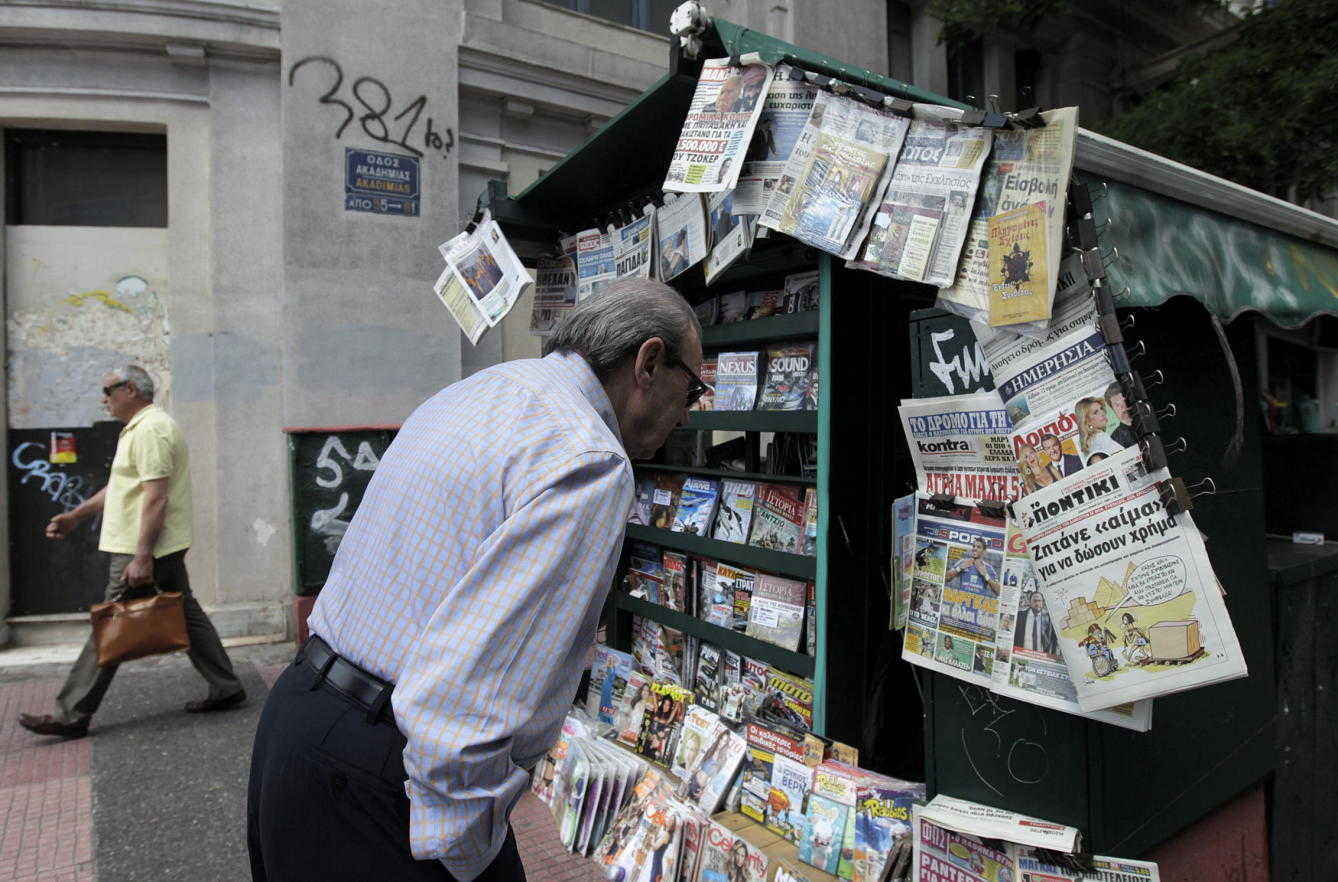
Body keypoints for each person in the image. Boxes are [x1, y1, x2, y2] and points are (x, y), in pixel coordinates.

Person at [247, 279, 704, 881]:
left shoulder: (482, 391)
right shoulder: (590, 461)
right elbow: (465, 708)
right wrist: (468, 854)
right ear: (648, 361)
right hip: (385, 773)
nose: (688, 410)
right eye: (692, 387)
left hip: (297, 720)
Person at [18, 366, 245, 739]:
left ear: (131, 390)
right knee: (184, 610)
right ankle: (226, 685)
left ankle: (71, 714)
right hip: (159, 546)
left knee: (112, 623)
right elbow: (122, 487)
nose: (103, 398)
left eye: (108, 390)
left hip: (144, 548)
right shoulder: (140, 428)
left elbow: (156, 498)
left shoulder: (152, 429)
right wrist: (76, 516)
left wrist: (142, 557)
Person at [1075, 396, 1124, 466]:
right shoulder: (1101, 437)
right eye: (1095, 412)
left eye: (1101, 409)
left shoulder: (1086, 443)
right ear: (1087, 421)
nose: (1102, 413)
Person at [1013, 590, 1058, 655]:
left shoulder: (1049, 619)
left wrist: (1052, 655)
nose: (1037, 604)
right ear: (1030, 602)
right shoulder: (1019, 616)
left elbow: (1054, 641)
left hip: (1041, 657)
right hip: (1021, 654)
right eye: (1034, 601)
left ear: (1042, 602)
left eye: (1039, 601)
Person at [1105, 382, 1137, 448]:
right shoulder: (1114, 439)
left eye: (1124, 401)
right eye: (1117, 405)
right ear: (1113, 409)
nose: (1123, 406)